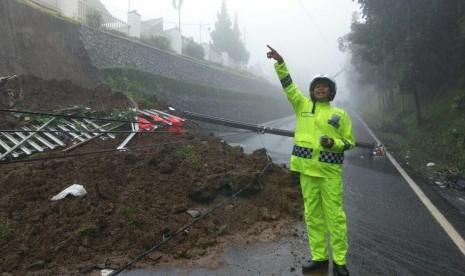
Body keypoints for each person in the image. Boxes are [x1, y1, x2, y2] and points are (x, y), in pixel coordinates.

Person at [266, 45, 355, 276]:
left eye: (325, 86)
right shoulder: (302, 106)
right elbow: (289, 88)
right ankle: (319, 257)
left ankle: (341, 262)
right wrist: (281, 64)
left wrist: (333, 144)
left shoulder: (340, 115)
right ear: (312, 91)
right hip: (307, 173)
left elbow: (349, 142)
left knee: (335, 218)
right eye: (317, 87)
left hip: (329, 174)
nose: (321, 89)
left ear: (331, 91)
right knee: (313, 217)